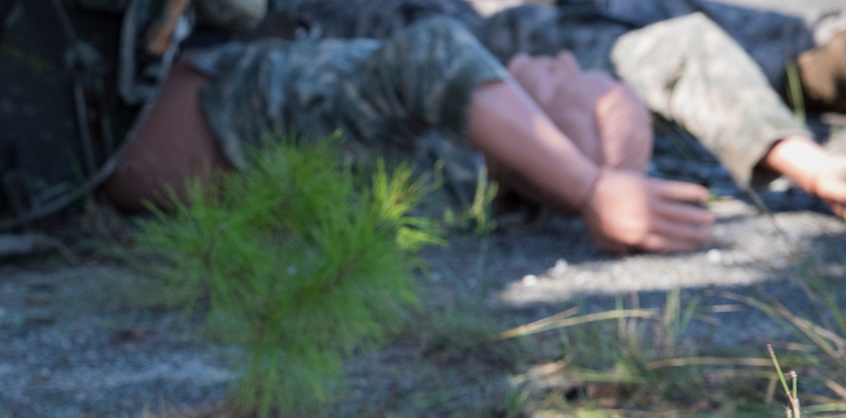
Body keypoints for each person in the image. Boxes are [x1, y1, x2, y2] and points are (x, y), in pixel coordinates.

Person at [105, 13, 717, 254]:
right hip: (122, 126)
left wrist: (590, 189)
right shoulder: (459, 191)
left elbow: (438, 48)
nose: (559, 60)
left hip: (110, 111)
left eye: (567, 83)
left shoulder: (440, 153)